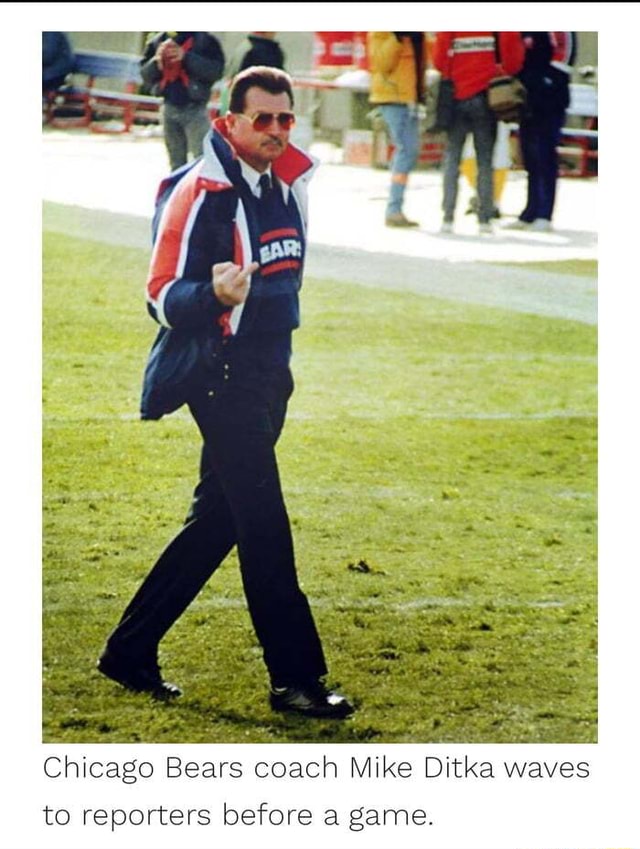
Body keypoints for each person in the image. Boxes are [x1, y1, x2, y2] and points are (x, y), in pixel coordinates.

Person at [97, 66, 354, 720]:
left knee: (220, 519)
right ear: (230, 120)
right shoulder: (199, 190)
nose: (273, 130)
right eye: (260, 118)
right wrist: (212, 293)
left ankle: (129, 650)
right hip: (221, 371)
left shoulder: (288, 183)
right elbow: (158, 294)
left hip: (271, 371)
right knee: (264, 522)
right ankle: (296, 677)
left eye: (284, 118)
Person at [433, 32, 524, 234]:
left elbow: (438, 59)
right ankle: (484, 218)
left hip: (456, 96)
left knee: (452, 159)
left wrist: (455, 72)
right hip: (486, 97)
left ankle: (447, 217)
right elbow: (514, 61)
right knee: (485, 161)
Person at [506, 32, 577, 231]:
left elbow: (566, 52)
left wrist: (548, 79)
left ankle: (545, 213)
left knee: (545, 154)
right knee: (529, 155)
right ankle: (530, 210)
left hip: (551, 97)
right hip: (528, 96)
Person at [368, 32, 429, 227]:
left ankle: (395, 207)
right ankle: (393, 209)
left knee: (407, 151)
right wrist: (397, 38)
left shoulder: (416, 35)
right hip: (392, 98)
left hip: (410, 99)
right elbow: (382, 63)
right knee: (406, 150)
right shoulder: (382, 32)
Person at [140, 31, 225, 170]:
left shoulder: (205, 41)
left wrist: (186, 57)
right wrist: (157, 62)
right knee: (176, 163)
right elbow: (145, 75)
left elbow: (216, 71)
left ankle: (201, 190)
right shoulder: (157, 41)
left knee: (202, 159)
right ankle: (178, 189)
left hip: (195, 109)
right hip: (169, 106)